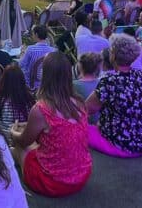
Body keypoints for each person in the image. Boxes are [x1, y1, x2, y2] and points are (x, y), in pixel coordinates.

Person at [11, 52, 92, 197]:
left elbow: (24, 140)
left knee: (18, 148)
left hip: (54, 183)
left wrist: (13, 132)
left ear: (45, 75)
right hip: (83, 174)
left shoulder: (41, 109)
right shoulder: (80, 102)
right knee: (36, 146)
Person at [86, 34, 142, 157]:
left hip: (123, 145)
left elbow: (86, 109)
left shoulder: (109, 81)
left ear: (113, 55)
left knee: (79, 129)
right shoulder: (140, 75)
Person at [0, 65, 34, 131]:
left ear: (3, 81)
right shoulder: (30, 102)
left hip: (3, 139)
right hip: (23, 139)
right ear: (22, 81)